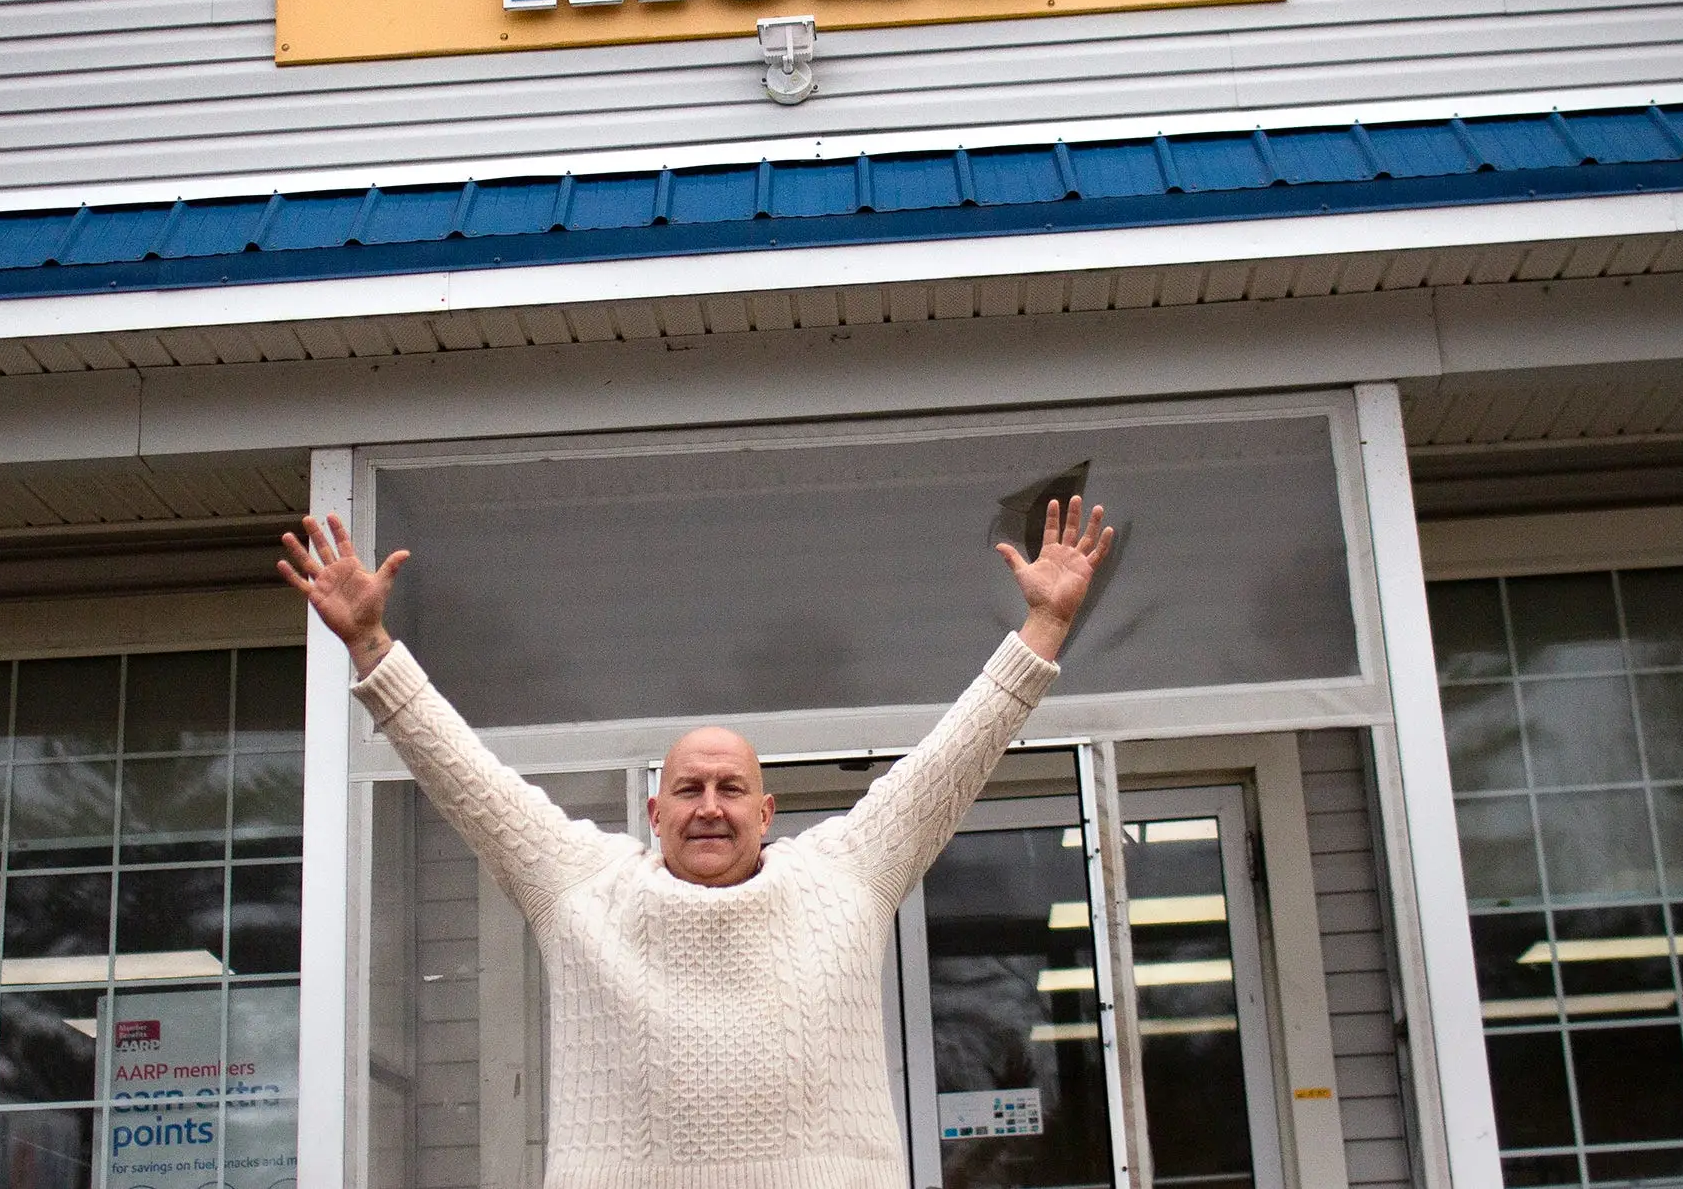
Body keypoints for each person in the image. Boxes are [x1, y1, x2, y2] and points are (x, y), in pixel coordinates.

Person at [275, 494, 1113, 1189]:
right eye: (688, 788)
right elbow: (466, 777)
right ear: (654, 810)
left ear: (767, 811)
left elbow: (951, 760)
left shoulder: (843, 878)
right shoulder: (582, 887)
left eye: (730, 788)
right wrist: (370, 644)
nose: (710, 807)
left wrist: (1044, 625)